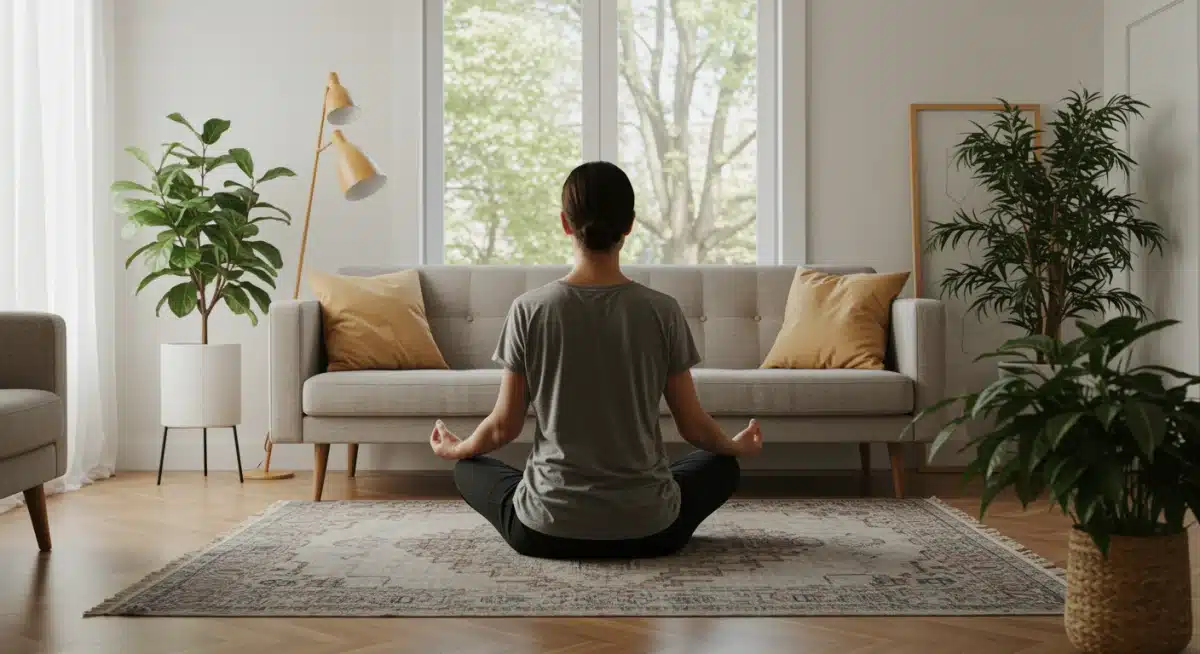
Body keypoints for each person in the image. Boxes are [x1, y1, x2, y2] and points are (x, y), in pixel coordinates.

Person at [428, 161, 764, 559]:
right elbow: (693, 426)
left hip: (544, 530)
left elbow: (503, 427)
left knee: (469, 467)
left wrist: (458, 448)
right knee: (722, 466)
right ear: (630, 225)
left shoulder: (528, 309)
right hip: (653, 530)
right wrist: (733, 446)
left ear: (565, 224)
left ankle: (551, 503)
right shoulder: (663, 311)